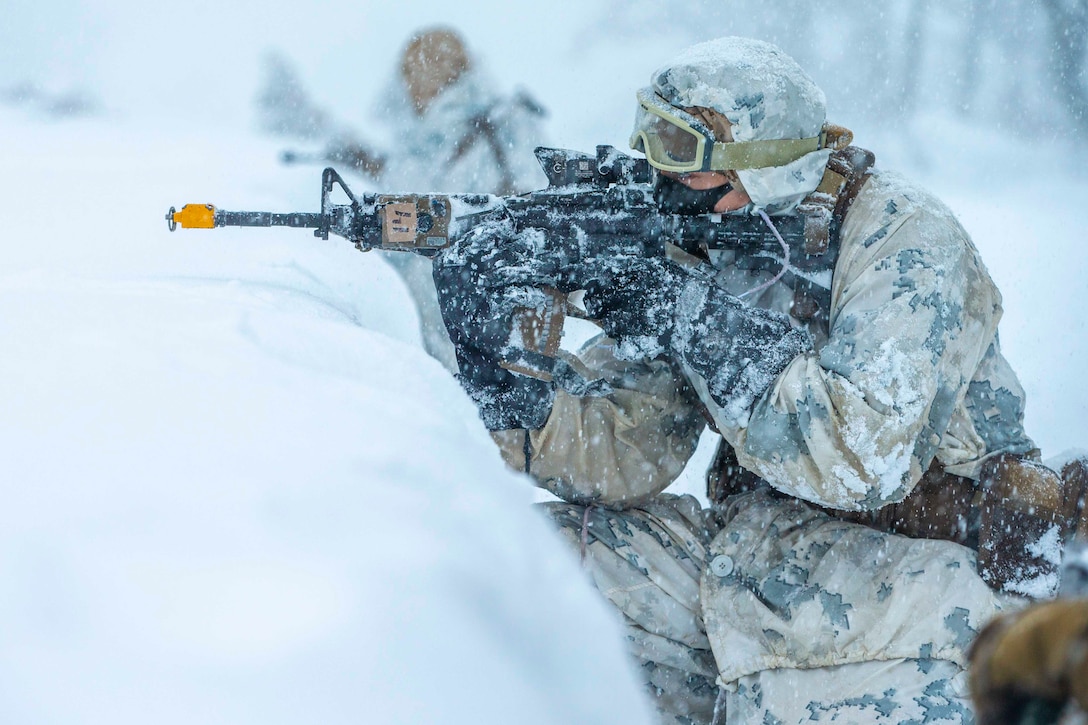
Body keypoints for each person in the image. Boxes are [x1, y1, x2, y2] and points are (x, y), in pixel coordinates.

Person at [432, 37, 1088, 724]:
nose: (662, 175)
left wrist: (688, 311)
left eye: (683, 153)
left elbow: (860, 456)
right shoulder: (717, 235)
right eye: (653, 143)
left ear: (764, 164)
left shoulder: (904, 237)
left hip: (922, 595)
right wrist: (509, 380)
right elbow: (629, 446)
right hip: (752, 561)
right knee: (510, 574)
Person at [262, 27, 547, 373]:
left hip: (503, 321)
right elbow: (411, 192)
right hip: (442, 326)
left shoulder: (506, 125)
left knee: (522, 414)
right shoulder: (424, 136)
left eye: (418, 68)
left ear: (453, 66)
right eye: (406, 72)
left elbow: (542, 217)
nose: (409, 82)